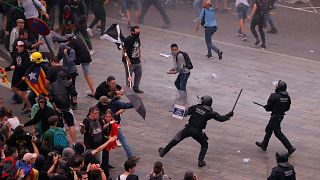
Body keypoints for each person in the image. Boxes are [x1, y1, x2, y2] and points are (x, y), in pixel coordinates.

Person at [158, 95, 233, 167]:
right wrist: (228, 115)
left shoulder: (196, 107)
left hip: (188, 129)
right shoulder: (210, 113)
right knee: (204, 145)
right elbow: (221, 119)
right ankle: (200, 161)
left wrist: (176, 109)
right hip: (197, 132)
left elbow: (185, 113)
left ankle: (163, 152)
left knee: (176, 139)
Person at [255, 80, 296, 156]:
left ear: (278, 88)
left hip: (275, 117)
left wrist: (266, 107)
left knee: (278, 133)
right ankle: (264, 144)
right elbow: (287, 108)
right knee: (269, 129)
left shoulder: (273, 96)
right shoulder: (287, 96)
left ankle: (290, 147)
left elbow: (268, 108)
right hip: (280, 116)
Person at [48, 71, 78, 144]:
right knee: (71, 124)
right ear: (65, 77)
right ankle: (74, 142)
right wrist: (74, 102)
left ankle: (62, 142)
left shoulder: (52, 85)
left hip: (57, 109)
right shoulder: (68, 83)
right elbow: (74, 93)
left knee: (60, 127)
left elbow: (50, 98)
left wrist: (56, 108)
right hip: (67, 107)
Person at [5, 41, 32, 115]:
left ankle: (29, 106)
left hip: (23, 76)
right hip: (17, 75)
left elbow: (25, 67)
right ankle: (28, 104)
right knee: (18, 90)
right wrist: (5, 69)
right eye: (20, 46)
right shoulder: (16, 54)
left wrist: (15, 67)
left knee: (19, 91)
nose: (21, 47)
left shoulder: (26, 55)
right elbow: (13, 64)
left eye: (22, 46)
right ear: (16, 47)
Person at [123, 26, 144, 93]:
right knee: (129, 76)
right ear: (132, 32)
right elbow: (124, 51)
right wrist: (127, 60)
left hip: (137, 60)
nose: (138, 33)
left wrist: (140, 56)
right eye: (136, 32)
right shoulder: (128, 40)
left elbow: (139, 47)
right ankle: (129, 89)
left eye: (139, 32)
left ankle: (136, 87)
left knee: (139, 73)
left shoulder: (137, 38)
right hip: (129, 61)